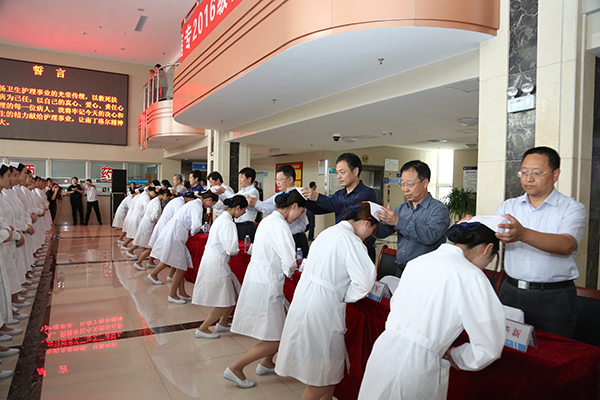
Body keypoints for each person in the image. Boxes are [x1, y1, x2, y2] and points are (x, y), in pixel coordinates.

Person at [358, 220, 506, 400]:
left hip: (384, 351)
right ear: (486, 248)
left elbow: (396, 305)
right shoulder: (471, 276)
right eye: (490, 260)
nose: (485, 265)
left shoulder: (419, 261)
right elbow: (489, 347)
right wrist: (455, 355)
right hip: (417, 367)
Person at [275, 202, 379, 399]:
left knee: (326, 369)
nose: (368, 237)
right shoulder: (351, 241)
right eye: (372, 232)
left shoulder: (328, 232)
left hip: (306, 297)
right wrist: (345, 296)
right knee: (324, 374)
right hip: (325, 306)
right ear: (366, 223)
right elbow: (365, 282)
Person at [492, 146, 587, 338]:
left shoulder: (572, 208)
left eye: (536, 173)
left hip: (553, 297)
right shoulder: (509, 206)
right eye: (524, 172)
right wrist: (470, 226)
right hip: (511, 292)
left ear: (555, 174)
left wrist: (523, 234)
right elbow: (491, 233)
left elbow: (566, 244)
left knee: (552, 351)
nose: (529, 178)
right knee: (508, 349)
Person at [224, 189, 307, 389]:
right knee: (277, 337)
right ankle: (236, 368)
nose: (299, 217)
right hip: (268, 283)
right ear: (294, 206)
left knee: (279, 327)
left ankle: (266, 362)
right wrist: (293, 270)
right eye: (301, 212)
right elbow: (289, 261)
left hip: (259, 278)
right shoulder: (280, 226)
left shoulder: (268, 221)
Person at [375, 160, 450, 277]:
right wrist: (369, 222)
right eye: (402, 184)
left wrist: (398, 221)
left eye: (410, 184)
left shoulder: (439, 210)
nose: (405, 189)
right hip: (401, 269)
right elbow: (383, 231)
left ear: (425, 183)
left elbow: (430, 236)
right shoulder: (402, 209)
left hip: (426, 273)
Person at [301, 153, 378, 259]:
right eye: (337, 172)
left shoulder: (367, 193)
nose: (338, 176)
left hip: (362, 248)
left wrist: (317, 197)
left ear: (355, 171)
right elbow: (322, 208)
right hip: (343, 246)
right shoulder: (339, 194)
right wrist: (303, 200)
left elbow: (347, 207)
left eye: (342, 172)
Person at [192, 195, 248, 338]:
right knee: (225, 301)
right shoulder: (228, 223)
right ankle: (202, 328)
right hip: (217, 263)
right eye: (243, 210)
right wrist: (234, 252)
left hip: (214, 260)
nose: (243, 213)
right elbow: (232, 249)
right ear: (238, 208)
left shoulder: (221, 218)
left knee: (233, 294)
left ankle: (222, 323)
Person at [148, 191, 218, 303]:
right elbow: (196, 225)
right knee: (181, 266)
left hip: (175, 231)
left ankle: (182, 292)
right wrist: (193, 232)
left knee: (181, 264)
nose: (211, 207)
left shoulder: (194, 203)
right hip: (176, 233)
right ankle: (172, 295)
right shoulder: (197, 206)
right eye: (212, 204)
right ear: (209, 199)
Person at [246, 164, 309, 256]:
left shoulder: (300, 193)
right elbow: (262, 206)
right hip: (282, 239)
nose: (277, 183)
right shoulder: (279, 195)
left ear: (290, 179)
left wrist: (256, 203)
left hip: (296, 238)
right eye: (276, 180)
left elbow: (279, 210)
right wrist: (245, 204)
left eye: (280, 180)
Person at [132, 188, 170, 271]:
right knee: (149, 247)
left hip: (146, 223)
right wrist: (160, 218)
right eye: (167, 197)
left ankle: (150, 262)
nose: (167, 199)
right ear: (164, 195)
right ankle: (138, 262)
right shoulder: (157, 203)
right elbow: (154, 216)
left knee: (148, 245)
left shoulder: (154, 200)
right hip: (148, 224)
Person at [234, 167, 260, 241]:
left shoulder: (253, 191)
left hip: (246, 226)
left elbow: (238, 200)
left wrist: (224, 190)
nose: (239, 180)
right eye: (239, 177)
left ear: (249, 179)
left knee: (246, 246)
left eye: (242, 177)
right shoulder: (241, 191)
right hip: (238, 225)